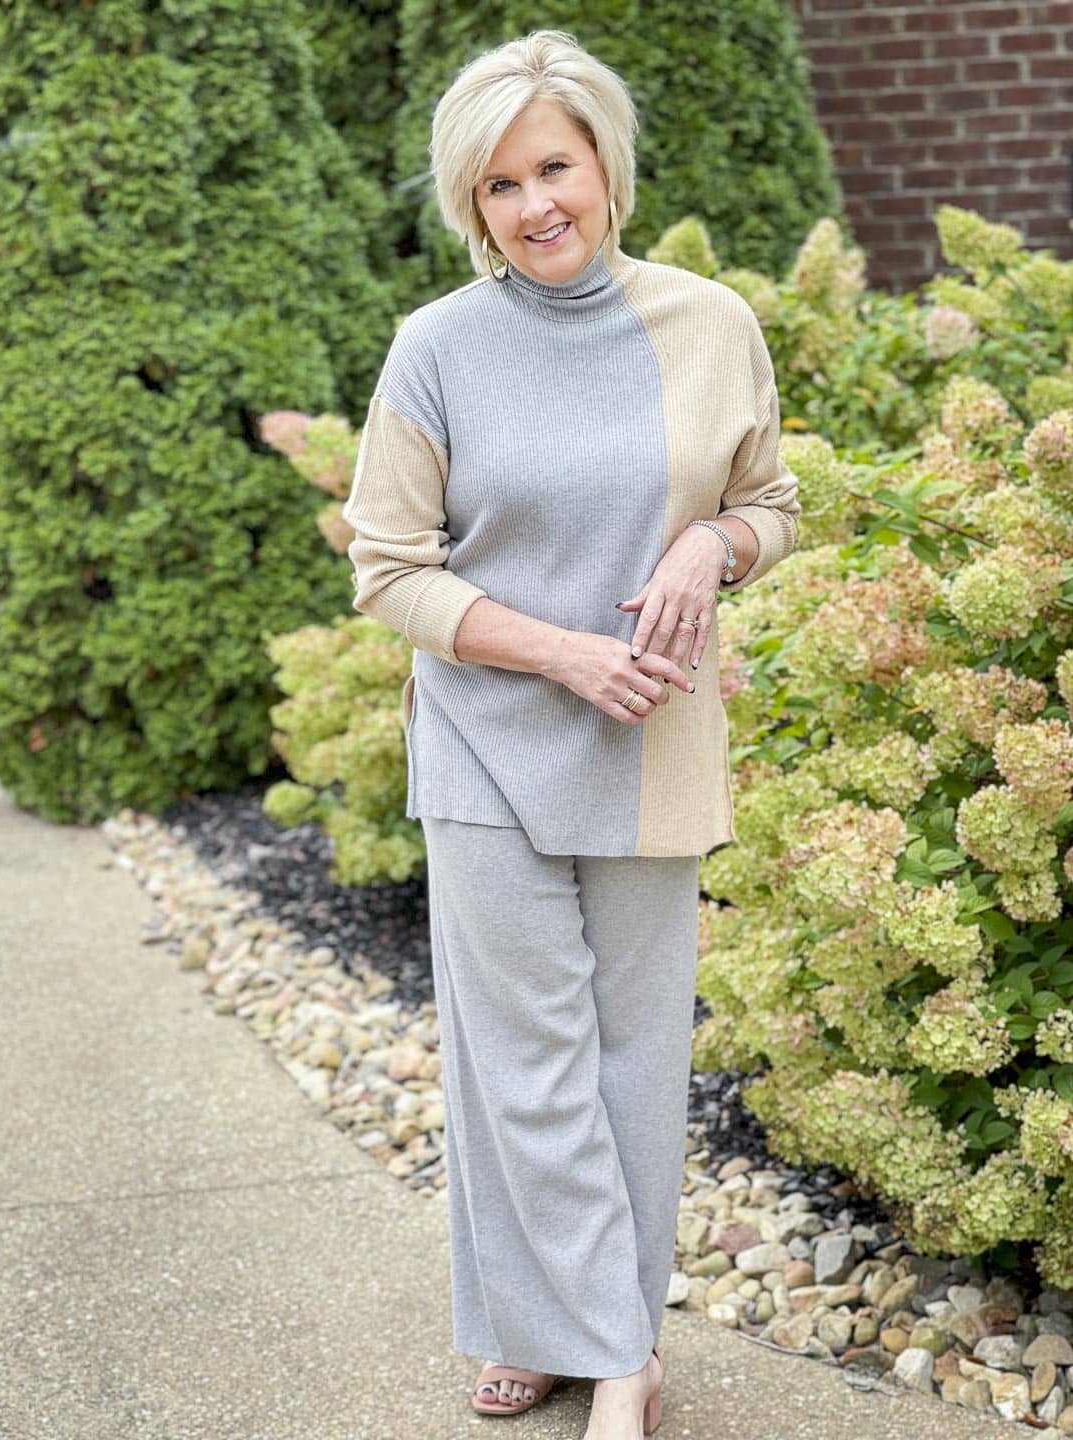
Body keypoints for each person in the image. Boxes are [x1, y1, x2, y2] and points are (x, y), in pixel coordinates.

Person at [342, 29, 801, 1438]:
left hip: (651, 739)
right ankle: (605, 1354)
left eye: (554, 168)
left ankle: (578, 1331)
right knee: (520, 1061)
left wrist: (710, 546)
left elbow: (772, 505)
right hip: (485, 738)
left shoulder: (709, 324)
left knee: (633, 1057)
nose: (535, 205)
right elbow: (387, 571)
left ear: (605, 163)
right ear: (469, 204)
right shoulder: (436, 349)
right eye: (500, 185)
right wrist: (559, 652)